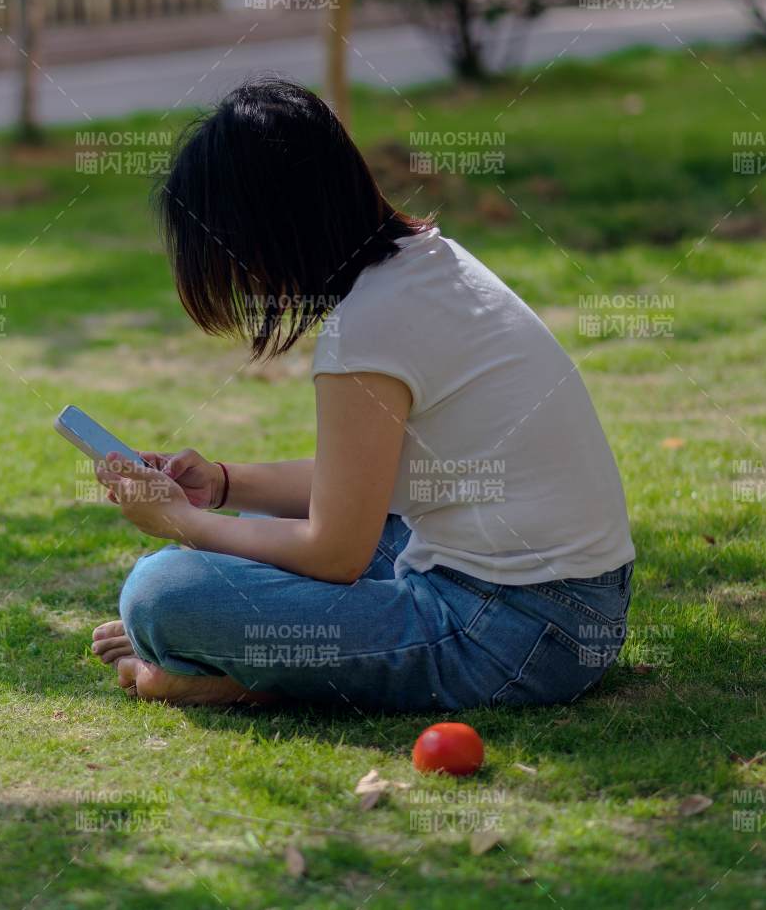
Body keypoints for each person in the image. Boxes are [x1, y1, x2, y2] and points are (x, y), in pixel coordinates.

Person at [90, 77, 634, 711]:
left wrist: (181, 522)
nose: (247, 279)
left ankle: (237, 678)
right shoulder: (427, 262)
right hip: (574, 605)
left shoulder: (369, 325)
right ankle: (246, 653)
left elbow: (335, 552)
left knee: (161, 592)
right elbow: (369, 483)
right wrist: (223, 484)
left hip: (512, 630)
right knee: (261, 526)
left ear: (269, 231)